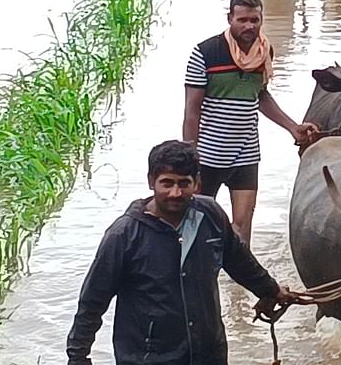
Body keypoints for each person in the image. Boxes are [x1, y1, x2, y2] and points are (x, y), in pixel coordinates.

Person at [66, 140, 297, 365]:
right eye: (167, 183)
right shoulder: (124, 235)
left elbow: (240, 262)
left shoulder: (211, 216)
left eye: (183, 183)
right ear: (151, 182)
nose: (175, 193)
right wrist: (78, 357)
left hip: (209, 353)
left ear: (196, 183)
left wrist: (272, 290)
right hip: (149, 357)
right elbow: (93, 301)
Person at [182, 0, 317, 244]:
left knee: (242, 231)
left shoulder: (264, 52)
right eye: (242, 20)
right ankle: (195, 279)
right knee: (194, 226)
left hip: (245, 153)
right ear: (229, 18)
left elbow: (260, 96)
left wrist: (292, 127)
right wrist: (190, 157)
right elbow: (192, 111)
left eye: (255, 20)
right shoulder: (205, 53)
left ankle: (239, 284)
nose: (249, 26)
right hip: (208, 155)